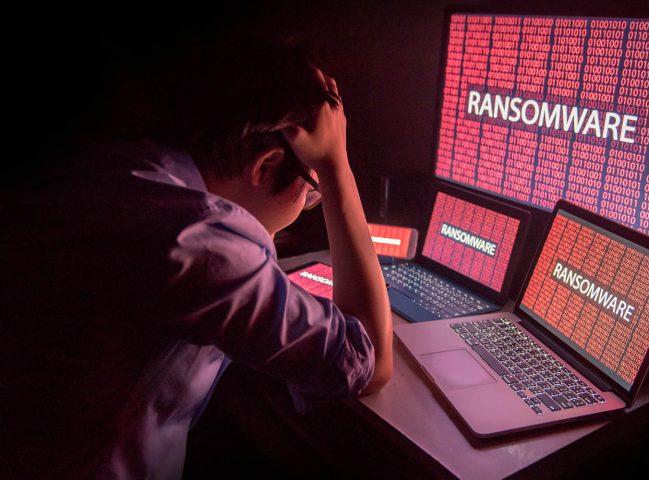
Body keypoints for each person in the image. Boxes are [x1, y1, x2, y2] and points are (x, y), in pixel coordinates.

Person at [0, 37, 392, 479]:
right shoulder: (199, 240)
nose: (308, 201)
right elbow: (368, 359)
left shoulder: (119, 168)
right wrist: (336, 167)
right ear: (265, 166)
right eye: (311, 190)